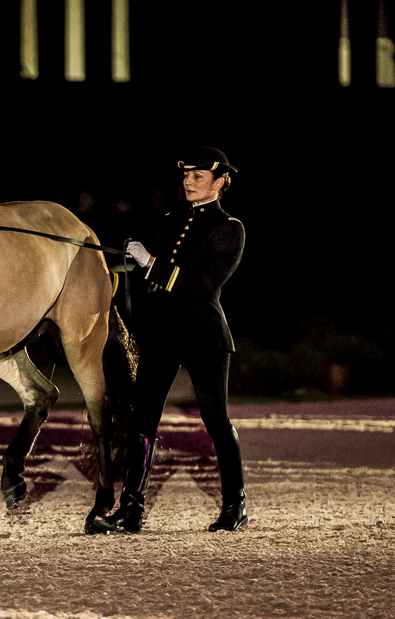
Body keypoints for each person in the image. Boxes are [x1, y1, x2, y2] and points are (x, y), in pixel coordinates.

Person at [90, 147, 247, 534]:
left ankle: (235, 504)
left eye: (198, 176)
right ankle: (131, 509)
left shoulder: (229, 228)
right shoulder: (171, 221)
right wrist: (122, 262)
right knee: (142, 419)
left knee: (216, 420)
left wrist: (150, 263)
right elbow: (151, 276)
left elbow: (201, 285)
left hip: (203, 335)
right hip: (163, 334)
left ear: (220, 182)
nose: (188, 182)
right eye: (186, 176)